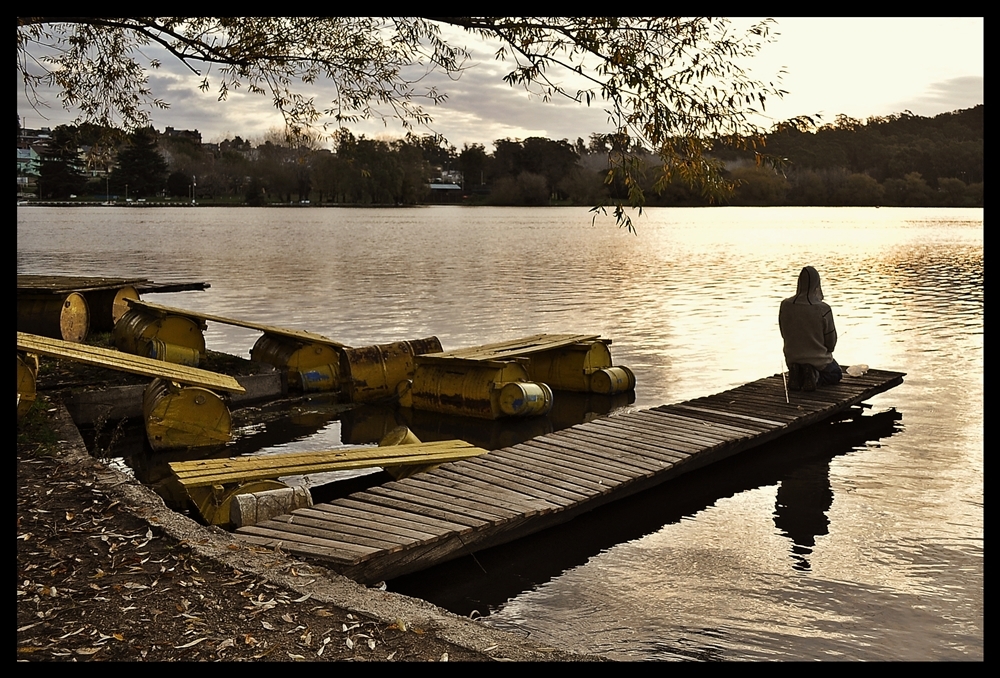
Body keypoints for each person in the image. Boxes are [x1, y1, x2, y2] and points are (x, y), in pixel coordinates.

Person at [779, 266, 842, 391]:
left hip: (792, 358)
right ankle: (815, 376)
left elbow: (784, 333)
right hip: (819, 361)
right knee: (836, 374)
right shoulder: (823, 309)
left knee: (799, 366)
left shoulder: (785, 305)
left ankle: (797, 372)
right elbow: (831, 343)